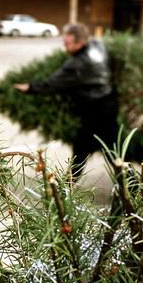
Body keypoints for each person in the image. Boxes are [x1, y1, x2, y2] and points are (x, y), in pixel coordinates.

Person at [14, 22, 119, 178]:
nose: (64, 46)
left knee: (85, 149)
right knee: (112, 150)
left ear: (80, 43)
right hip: (110, 104)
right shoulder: (98, 46)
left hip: (95, 111)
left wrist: (30, 88)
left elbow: (53, 83)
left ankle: (68, 187)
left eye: (67, 43)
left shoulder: (76, 64)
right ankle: (131, 187)